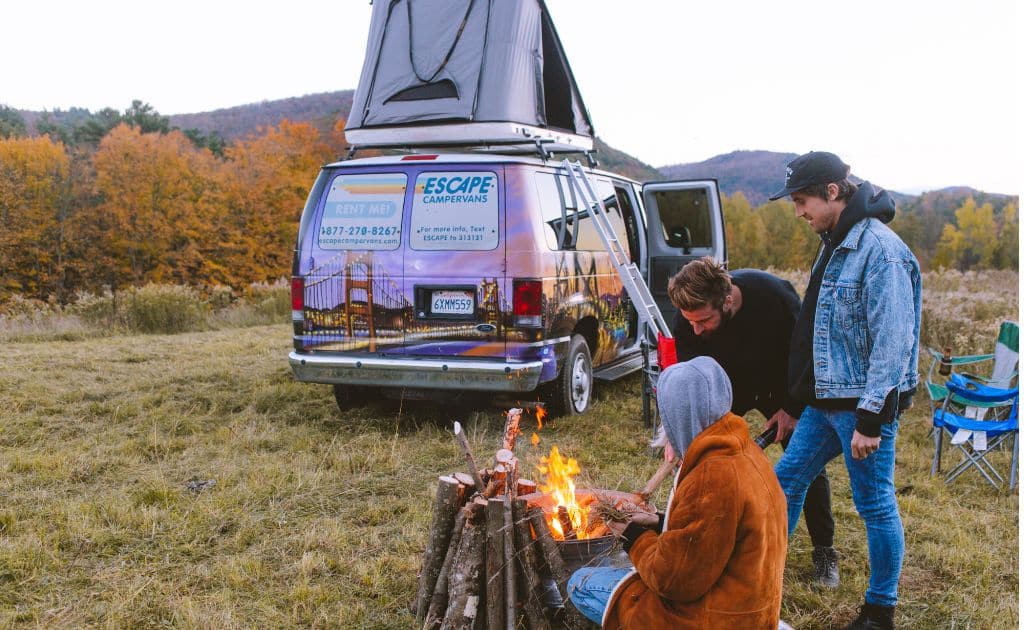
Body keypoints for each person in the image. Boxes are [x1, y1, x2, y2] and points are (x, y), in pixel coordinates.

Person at [769, 151, 921, 630]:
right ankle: (760, 576)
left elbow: (892, 341)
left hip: (861, 406)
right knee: (782, 484)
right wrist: (798, 398)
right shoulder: (835, 239)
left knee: (874, 503)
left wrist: (872, 418)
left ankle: (880, 611)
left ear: (833, 192)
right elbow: (820, 327)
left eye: (802, 201)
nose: (799, 212)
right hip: (824, 401)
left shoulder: (880, 251)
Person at [567, 356, 788, 629]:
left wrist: (632, 535)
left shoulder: (711, 478)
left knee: (580, 582)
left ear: (680, 415)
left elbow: (672, 580)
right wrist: (659, 522)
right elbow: (712, 536)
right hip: (751, 610)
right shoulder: (745, 452)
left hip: (711, 619)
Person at [668, 257, 840, 588]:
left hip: (782, 386)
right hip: (729, 389)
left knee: (806, 465)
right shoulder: (689, 313)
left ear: (727, 300)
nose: (696, 330)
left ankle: (824, 551)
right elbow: (691, 378)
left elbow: (808, 357)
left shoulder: (776, 298)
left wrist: (790, 408)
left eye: (704, 321)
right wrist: (682, 431)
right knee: (711, 459)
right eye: (690, 323)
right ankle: (713, 538)